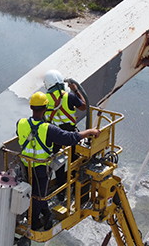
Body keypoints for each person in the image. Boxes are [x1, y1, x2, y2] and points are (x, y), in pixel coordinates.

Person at [17, 91, 100, 231]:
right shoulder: (49, 129)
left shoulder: (20, 123)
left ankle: (42, 211)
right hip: (41, 168)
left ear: (31, 107)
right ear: (45, 108)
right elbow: (69, 138)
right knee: (40, 195)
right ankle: (35, 221)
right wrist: (89, 132)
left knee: (31, 191)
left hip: (25, 166)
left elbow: (21, 135)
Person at [43, 70, 89, 191]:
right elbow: (84, 106)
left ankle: (61, 189)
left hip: (55, 135)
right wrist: (75, 90)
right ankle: (73, 183)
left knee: (58, 162)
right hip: (70, 134)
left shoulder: (44, 99)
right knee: (74, 159)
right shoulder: (69, 96)